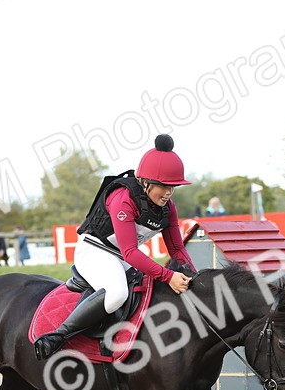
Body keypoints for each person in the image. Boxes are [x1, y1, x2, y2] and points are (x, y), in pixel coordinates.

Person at [33, 134, 197, 360]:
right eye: (163, 185)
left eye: (173, 186)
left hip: (122, 256)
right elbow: (130, 252)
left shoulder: (169, 207)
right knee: (117, 294)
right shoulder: (123, 197)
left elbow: (177, 250)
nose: (168, 192)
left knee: (150, 290)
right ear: (146, 182)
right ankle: (57, 336)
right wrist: (168, 276)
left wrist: (193, 276)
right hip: (94, 250)